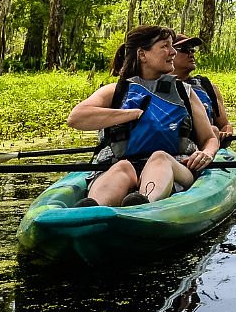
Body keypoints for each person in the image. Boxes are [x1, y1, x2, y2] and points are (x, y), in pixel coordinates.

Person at [66, 24, 220, 207]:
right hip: (122, 164)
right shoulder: (115, 91)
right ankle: (92, 211)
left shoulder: (184, 93)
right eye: (165, 46)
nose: (173, 52)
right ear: (142, 55)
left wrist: (207, 153)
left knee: (159, 157)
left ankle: (143, 203)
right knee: (122, 167)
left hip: (175, 166)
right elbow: (76, 118)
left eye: (172, 46)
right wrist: (131, 114)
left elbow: (209, 138)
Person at [172, 34, 231, 143]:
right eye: (185, 50)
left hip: (208, 149)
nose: (191, 54)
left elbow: (225, 125)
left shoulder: (207, 87)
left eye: (192, 50)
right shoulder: (154, 88)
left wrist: (225, 133)